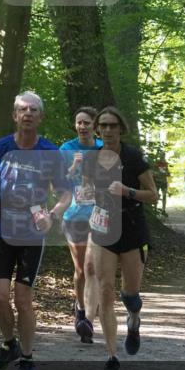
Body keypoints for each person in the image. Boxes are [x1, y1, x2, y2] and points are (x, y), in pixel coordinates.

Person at [0, 91, 71, 370]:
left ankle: (27, 358)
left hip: (32, 234)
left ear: (41, 117)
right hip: (2, 230)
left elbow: (66, 193)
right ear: (15, 115)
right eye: (23, 109)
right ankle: (9, 345)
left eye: (33, 110)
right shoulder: (0, 147)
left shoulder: (50, 152)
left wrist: (52, 215)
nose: (28, 114)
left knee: (23, 299)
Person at [81, 106, 158, 370]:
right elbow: (85, 190)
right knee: (105, 289)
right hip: (103, 228)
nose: (108, 130)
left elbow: (153, 195)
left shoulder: (133, 156)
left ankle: (134, 318)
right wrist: (84, 194)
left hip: (132, 228)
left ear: (121, 129)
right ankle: (111, 356)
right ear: (97, 129)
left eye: (113, 125)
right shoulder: (91, 159)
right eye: (103, 125)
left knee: (130, 295)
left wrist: (128, 191)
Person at [59, 106, 102, 344]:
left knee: (92, 268)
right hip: (74, 215)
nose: (82, 126)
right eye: (79, 123)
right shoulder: (66, 149)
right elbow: (56, 182)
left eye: (86, 122)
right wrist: (73, 168)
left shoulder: (103, 148)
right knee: (81, 270)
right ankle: (80, 308)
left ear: (95, 125)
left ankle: (88, 320)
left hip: (99, 216)